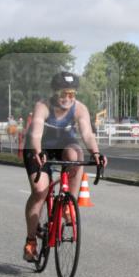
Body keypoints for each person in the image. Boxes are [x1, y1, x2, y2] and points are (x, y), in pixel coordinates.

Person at [23, 71, 107, 262]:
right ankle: (30, 241)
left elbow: (87, 134)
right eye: (63, 94)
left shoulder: (79, 108)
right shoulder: (43, 106)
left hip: (63, 146)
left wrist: (96, 153)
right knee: (39, 191)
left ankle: (69, 204)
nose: (67, 98)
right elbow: (36, 133)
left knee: (75, 154)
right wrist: (38, 152)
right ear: (54, 93)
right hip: (39, 148)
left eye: (71, 94)